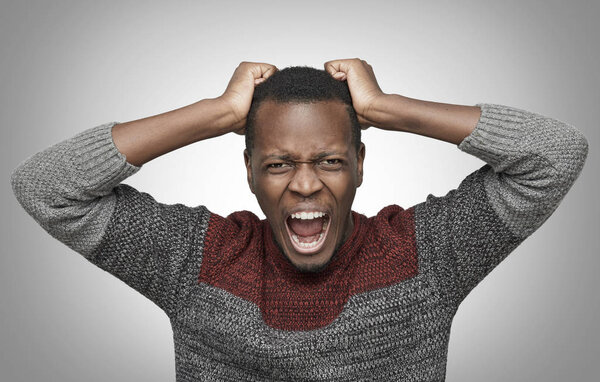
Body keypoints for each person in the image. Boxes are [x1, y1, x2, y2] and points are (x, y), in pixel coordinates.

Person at [10, 58, 589, 381]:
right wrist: (217, 113)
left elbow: (556, 154)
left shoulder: (423, 256)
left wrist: (387, 109)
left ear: (360, 164)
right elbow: (46, 187)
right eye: (279, 163)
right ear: (249, 171)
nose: (306, 184)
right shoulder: (198, 261)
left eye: (331, 161)